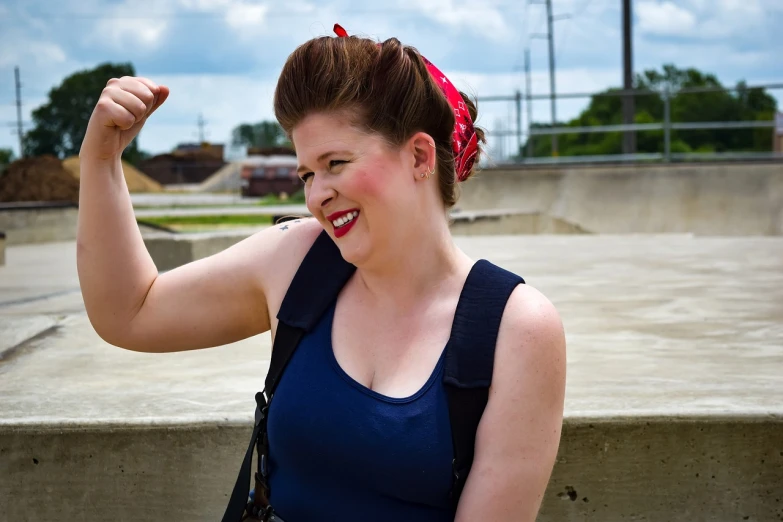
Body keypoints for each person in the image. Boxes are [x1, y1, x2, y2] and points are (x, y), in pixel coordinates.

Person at [77, 26, 566, 522]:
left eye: (336, 163)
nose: (315, 197)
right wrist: (100, 160)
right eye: (308, 174)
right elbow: (130, 312)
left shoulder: (517, 328)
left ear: (419, 156)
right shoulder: (295, 260)